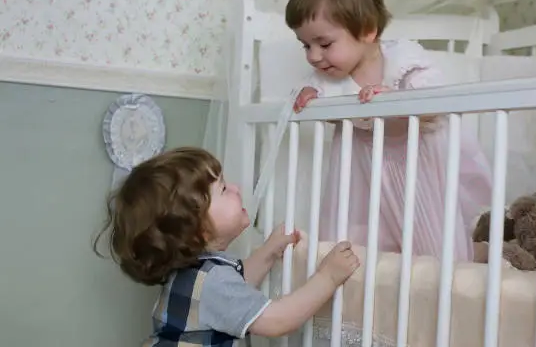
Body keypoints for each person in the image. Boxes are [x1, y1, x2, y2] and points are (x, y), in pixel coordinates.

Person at [286, 0, 493, 261]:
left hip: (417, 166)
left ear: (368, 30)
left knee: (435, 246)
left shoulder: (404, 61)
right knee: (359, 239)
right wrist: (308, 98)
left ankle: (482, 253)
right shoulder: (329, 79)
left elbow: (434, 104)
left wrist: (398, 99)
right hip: (363, 170)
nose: (314, 57)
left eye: (324, 44)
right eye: (305, 46)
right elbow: (320, 104)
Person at [93, 147, 359, 346]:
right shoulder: (213, 281)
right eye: (222, 189)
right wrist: (328, 277)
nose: (235, 188)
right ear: (197, 225)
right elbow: (279, 320)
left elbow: (236, 289)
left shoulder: (194, 273)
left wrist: (268, 252)